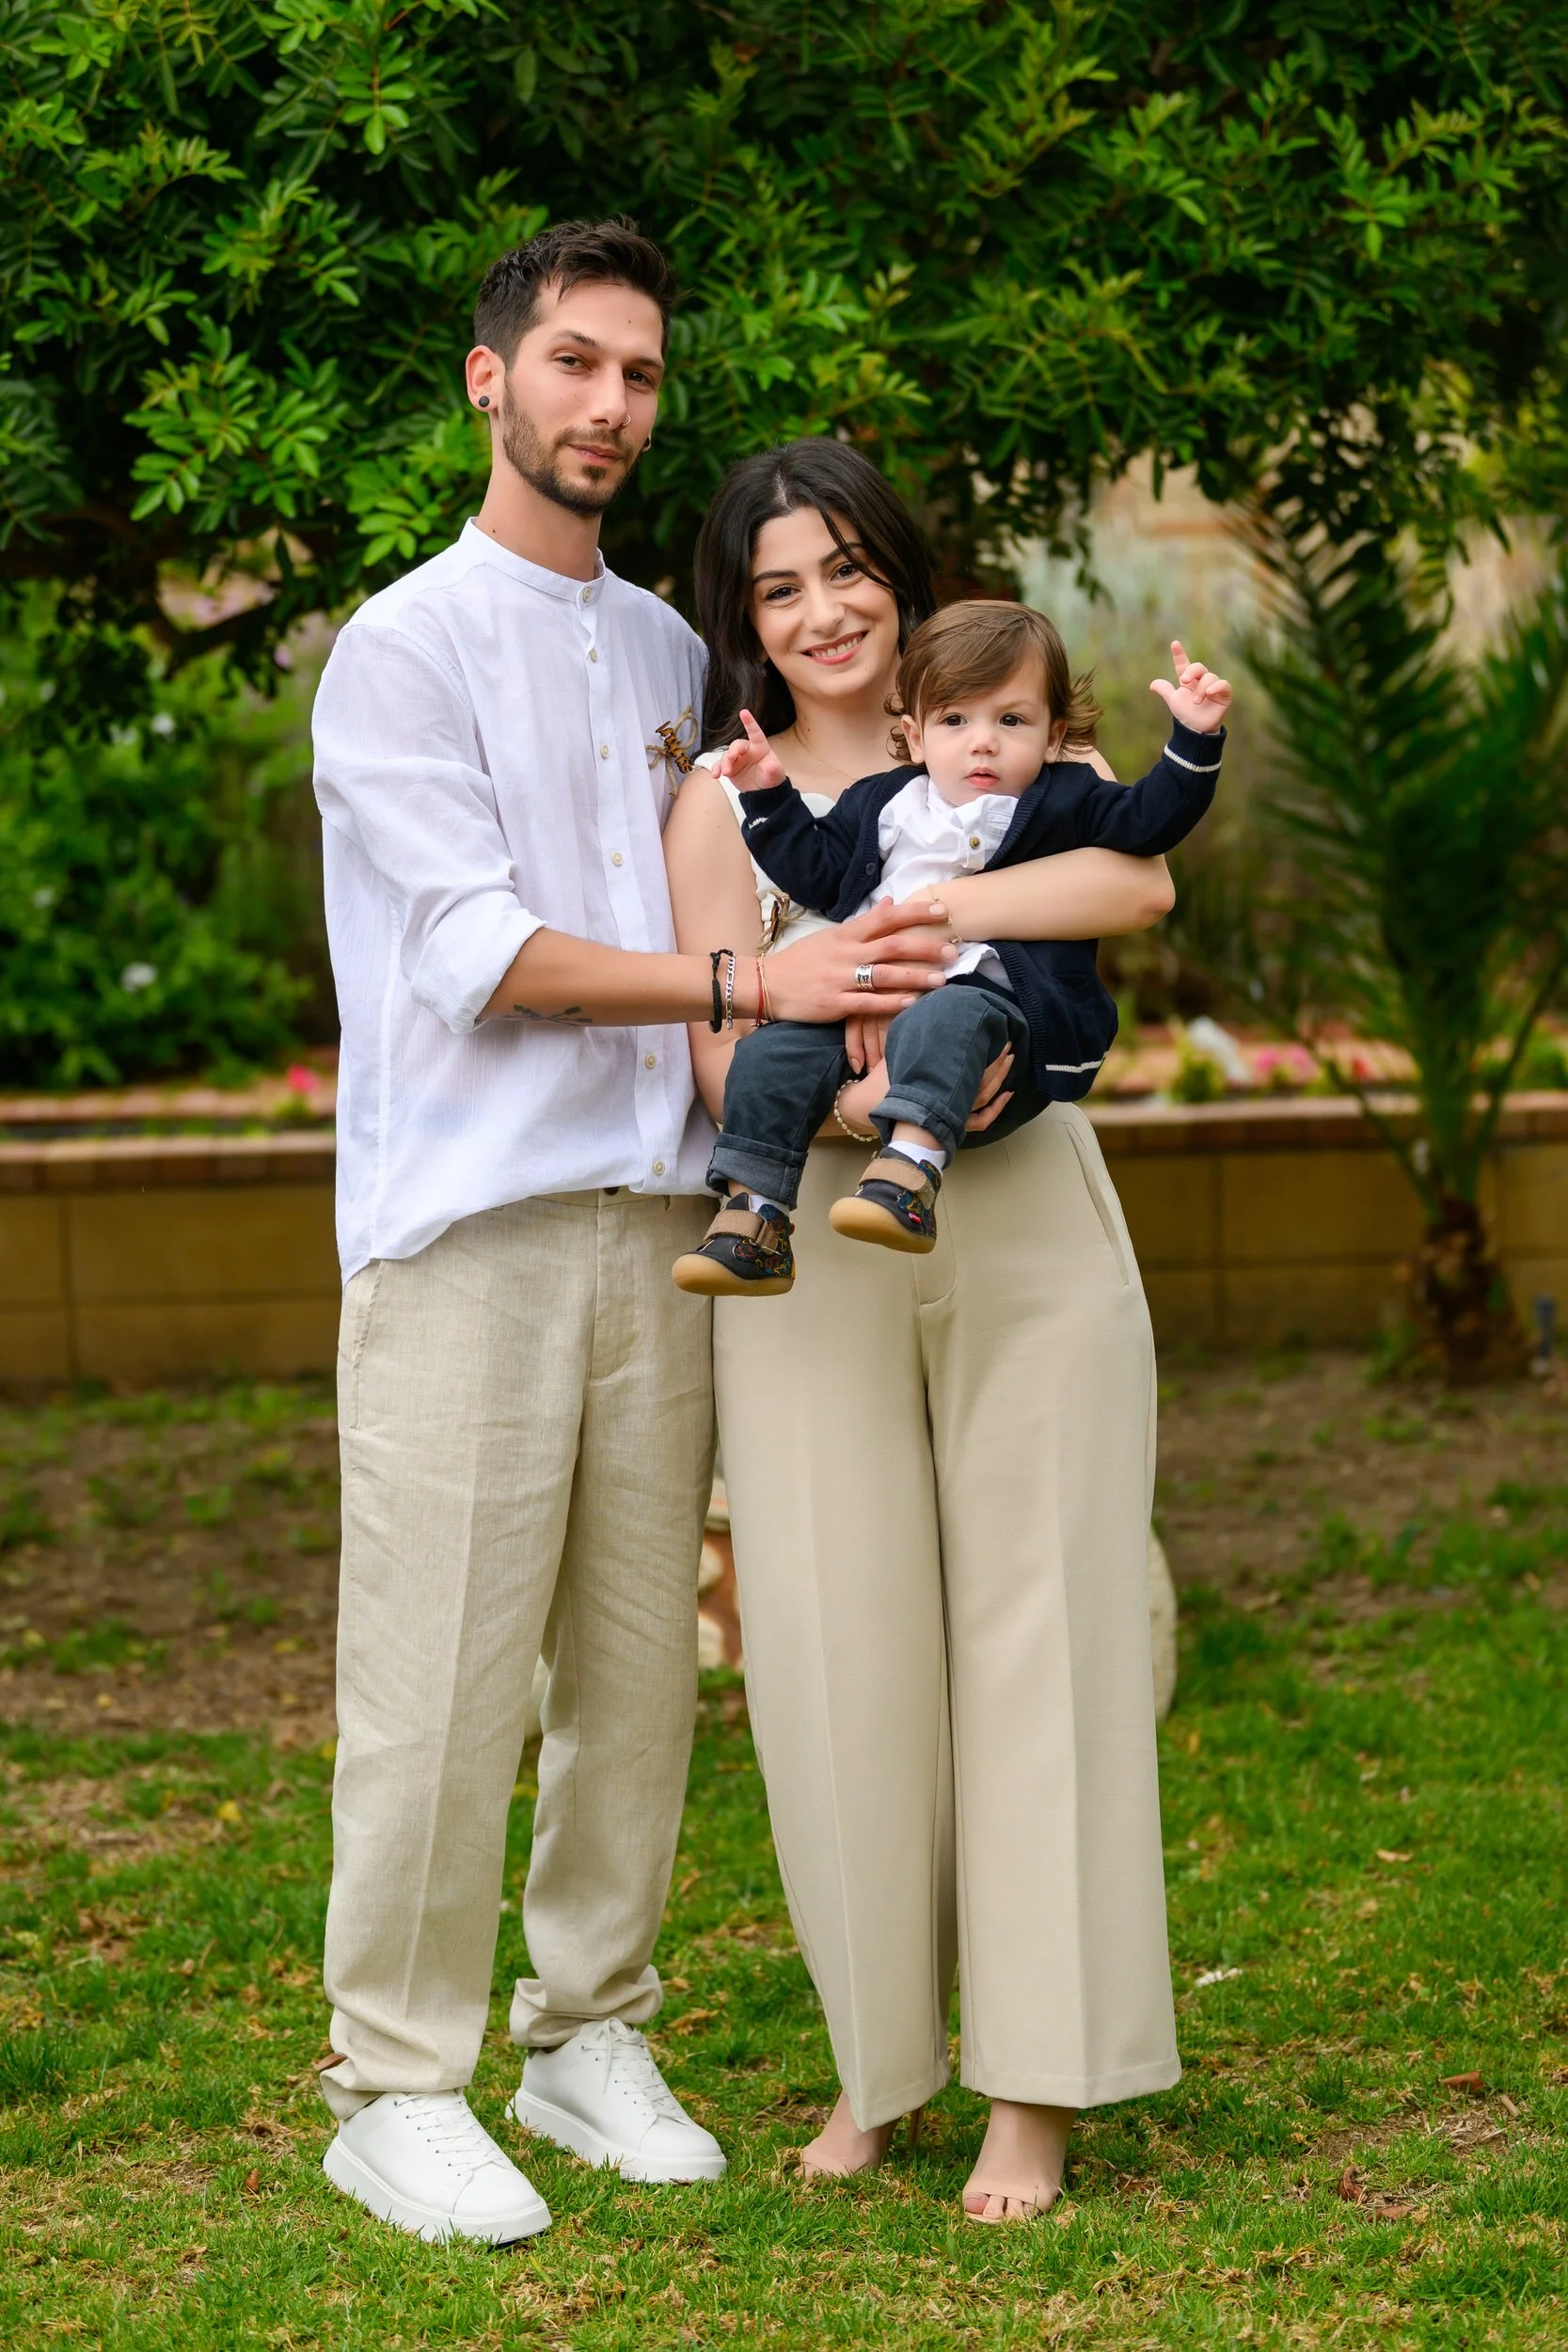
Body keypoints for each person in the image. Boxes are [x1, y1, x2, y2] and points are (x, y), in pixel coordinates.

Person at [309, 222, 957, 2247]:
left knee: (630, 1668)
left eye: (640, 375)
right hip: (471, 1230)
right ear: (486, 378)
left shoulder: (682, 659)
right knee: (437, 1672)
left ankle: (587, 2026)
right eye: (572, 363)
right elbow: (480, 956)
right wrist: (742, 991)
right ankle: (391, 2079)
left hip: (664, 1206)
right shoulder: (397, 647)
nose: (607, 405)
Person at [662, 437, 1183, 2222]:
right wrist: (851, 1101)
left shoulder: (1012, 735)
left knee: (1048, 1624)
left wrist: (929, 917)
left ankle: (1034, 2091)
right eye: (777, 586)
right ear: (743, 618)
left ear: (898, 567)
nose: (821, 611)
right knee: (830, 1644)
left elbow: (1134, 889)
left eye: (844, 569)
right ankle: (877, 2069)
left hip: (1026, 1210)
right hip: (807, 1233)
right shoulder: (725, 800)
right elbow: (724, 1050)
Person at [673, 601, 1227, 1291]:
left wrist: (1193, 740)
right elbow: (814, 871)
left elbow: (1148, 822)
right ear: (915, 731)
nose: (982, 743)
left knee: (949, 1021)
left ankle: (909, 1175)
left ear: (1055, 734)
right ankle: (753, 1215)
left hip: (992, 1011)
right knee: (769, 1052)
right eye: (955, 721)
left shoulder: (1067, 799)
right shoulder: (881, 802)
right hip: (867, 1012)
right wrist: (768, 797)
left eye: (1011, 720)